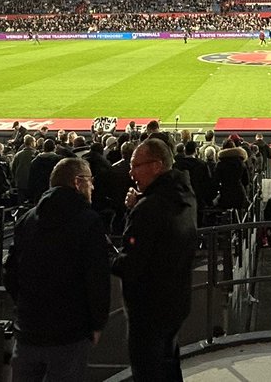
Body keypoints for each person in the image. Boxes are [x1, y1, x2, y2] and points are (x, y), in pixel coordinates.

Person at [6, 157, 111, 382]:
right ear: (77, 182)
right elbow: (96, 278)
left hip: (29, 327)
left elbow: (11, 273)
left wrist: (25, 307)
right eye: (90, 180)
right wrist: (97, 322)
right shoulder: (88, 221)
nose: (92, 186)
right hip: (69, 331)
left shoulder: (27, 219)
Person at [112, 138, 198, 382]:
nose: (131, 173)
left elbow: (132, 262)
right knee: (169, 365)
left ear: (157, 165)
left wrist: (108, 260)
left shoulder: (149, 208)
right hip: (176, 301)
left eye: (135, 166)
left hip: (148, 310)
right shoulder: (185, 195)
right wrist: (141, 203)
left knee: (148, 371)